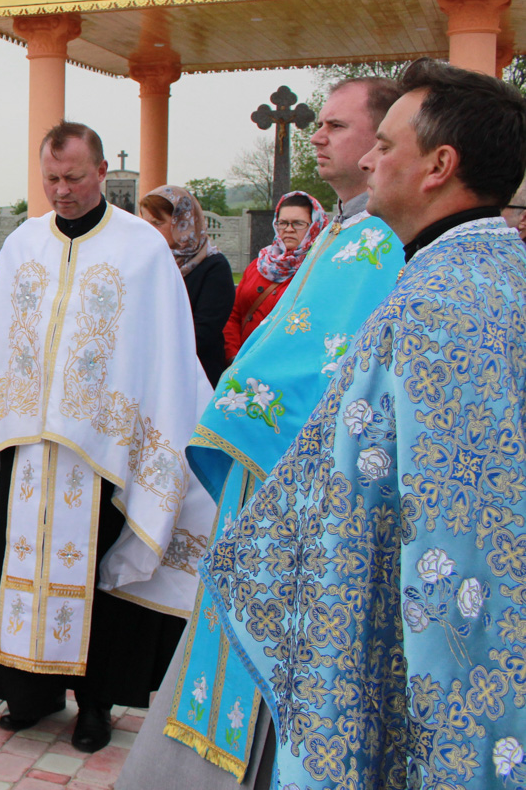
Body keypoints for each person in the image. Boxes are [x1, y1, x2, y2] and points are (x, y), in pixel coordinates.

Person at [200, 59, 526, 786]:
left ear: (439, 165)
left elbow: (435, 522)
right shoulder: (498, 272)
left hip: (428, 648)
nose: (370, 160)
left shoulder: (434, 303)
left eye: (385, 143)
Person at [120, 77, 404, 789]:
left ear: (380, 141)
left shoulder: (380, 240)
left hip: (286, 465)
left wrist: (236, 409)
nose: (317, 135)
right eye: (319, 123)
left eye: (337, 125)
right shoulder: (340, 230)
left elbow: (329, 358)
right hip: (261, 462)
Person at [0, 122, 215, 754]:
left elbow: (165, 352)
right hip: (25, 443)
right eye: (51, 179)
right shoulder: (22, 244)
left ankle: (95, 705)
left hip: (103, 449)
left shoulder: (142, 249)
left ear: (101, 173)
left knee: (102, 581)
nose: (61, 191)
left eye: (72, 178)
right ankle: (28, 694)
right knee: (18, 563)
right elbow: (1, 340)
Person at [139, 185, 235, 386]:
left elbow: (204, 332)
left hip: (195, 375)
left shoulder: (213, 267)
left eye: (157, 223)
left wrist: (153, 348)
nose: (148, 229)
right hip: (149, 373)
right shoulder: (146, 261)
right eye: (145, 222)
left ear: (183, 224)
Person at [222, 191, 326, 361]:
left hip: (288, 364)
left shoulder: (320, 269)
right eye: (282, 223)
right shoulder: (260, 265)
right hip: (243, 362)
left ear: (314, 226)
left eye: (298, 223)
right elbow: (234, 313)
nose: (289, 229)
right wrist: (233, 355)